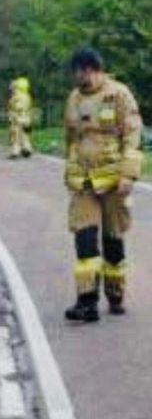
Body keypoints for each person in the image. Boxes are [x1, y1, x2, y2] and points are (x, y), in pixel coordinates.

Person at [63, 48, 143, 322]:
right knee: (84, 239)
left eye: (80, 70)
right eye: (75, 71)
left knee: (112, 240)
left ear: (92, 69)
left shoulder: (118, 94)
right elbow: (70, 138)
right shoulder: (73, 98)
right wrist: (69, 171)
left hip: (112, 181)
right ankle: (86, 302)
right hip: (83, 181)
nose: (77, 76)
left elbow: (133, 135)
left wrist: (128, 175)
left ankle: (115, 294)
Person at [8, 76, 33, 159]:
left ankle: (15, 151)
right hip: (27, 118)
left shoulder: (17, 96)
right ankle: (27, 148)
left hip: (18, 119)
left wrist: (13, 112)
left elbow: (17, 107)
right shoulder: (27, 96)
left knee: (16, 136)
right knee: (25, 135)